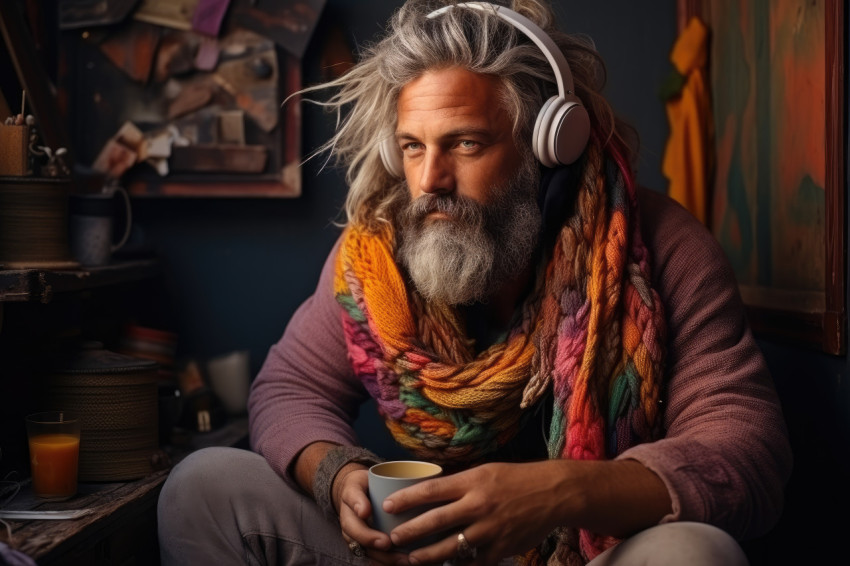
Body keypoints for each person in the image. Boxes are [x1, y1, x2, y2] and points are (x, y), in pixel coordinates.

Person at [157, 1, 792, 565]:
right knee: (204, 487)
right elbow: (290, 387)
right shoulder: (375, 260)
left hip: (588, 554)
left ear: (547, 145)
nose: (429, 178)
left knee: (694, 551)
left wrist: (559, 494)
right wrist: (336, 474)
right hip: (424, 556)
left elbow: (746, 454)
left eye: (464, 143)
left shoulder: (662, 249)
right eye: (412, 146)